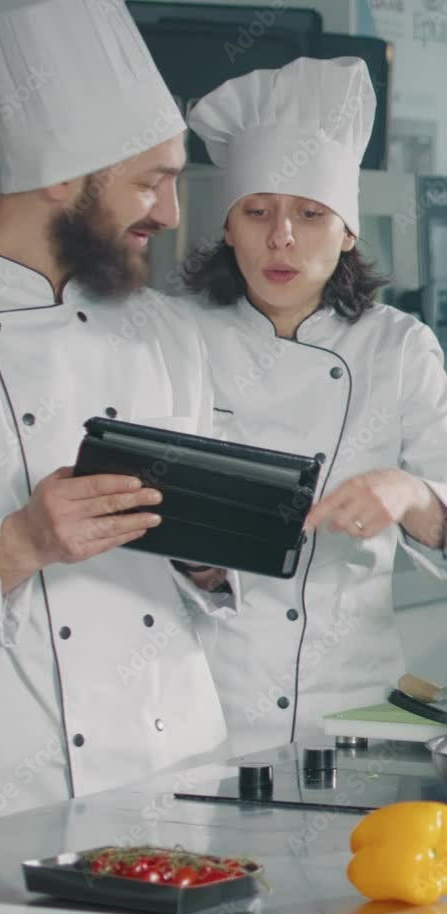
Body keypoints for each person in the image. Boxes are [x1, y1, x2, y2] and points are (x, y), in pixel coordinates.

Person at [0, 0, 235, 837]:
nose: (169, 213)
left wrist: (211, 558)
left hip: (176, 776)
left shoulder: (170, 335)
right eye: (149, 180)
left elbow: (212, 576)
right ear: (59, 175)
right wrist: (24, 540)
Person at [180, 57, 447, 756]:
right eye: (257, 211)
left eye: (310, 213)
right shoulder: (171, 338)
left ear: (347, 230)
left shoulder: (398, 348)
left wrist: (410, 492)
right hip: (203, 704)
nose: (282, 238)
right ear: (228, 226)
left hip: (354, 705)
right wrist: (195, 563)